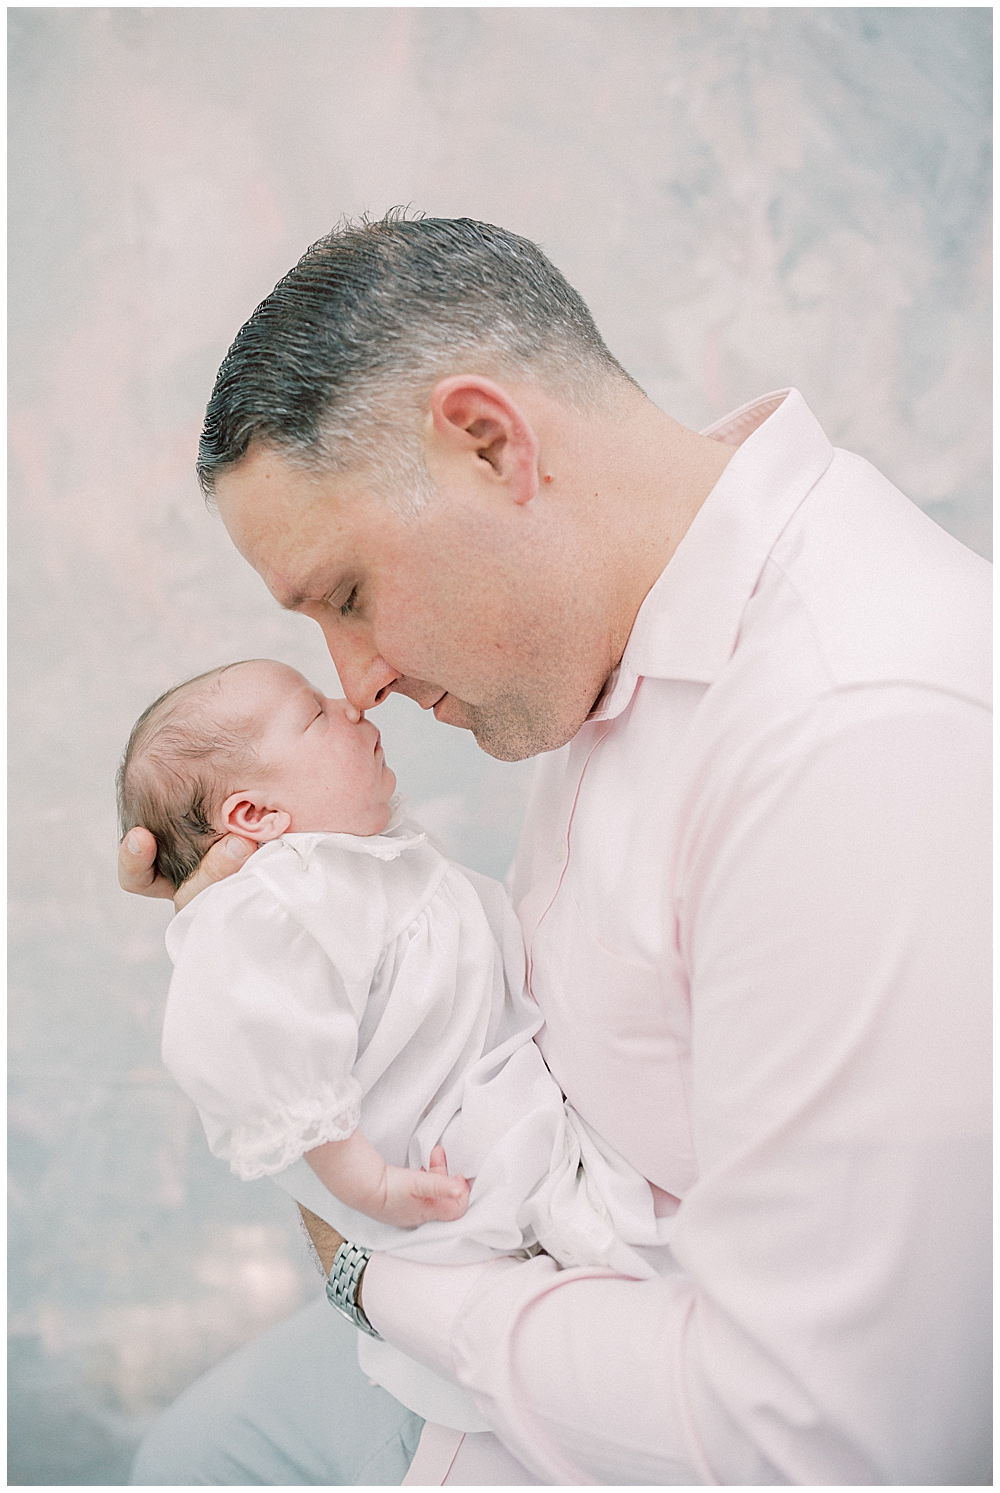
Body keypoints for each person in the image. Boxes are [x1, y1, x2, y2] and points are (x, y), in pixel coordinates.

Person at [121, 215, 990, 1485]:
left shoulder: (856, 740)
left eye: (348, 596)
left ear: (488, 443)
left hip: (553, 1379)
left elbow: (822, 1441)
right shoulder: (617, 622)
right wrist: (261, 907)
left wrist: (377, 1284)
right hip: (502, 1283)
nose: (353, 685)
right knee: (195, 1448)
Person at [118, 656, 674, 1431]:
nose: (351, 705)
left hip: (496, 1101)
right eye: (314, 715)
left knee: (588, 1229)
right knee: (561, 1230)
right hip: (438, 1152)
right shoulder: (274, 901)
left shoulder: (349, 855)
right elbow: (240, 1032)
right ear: (257, 815)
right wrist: (363, 1182)